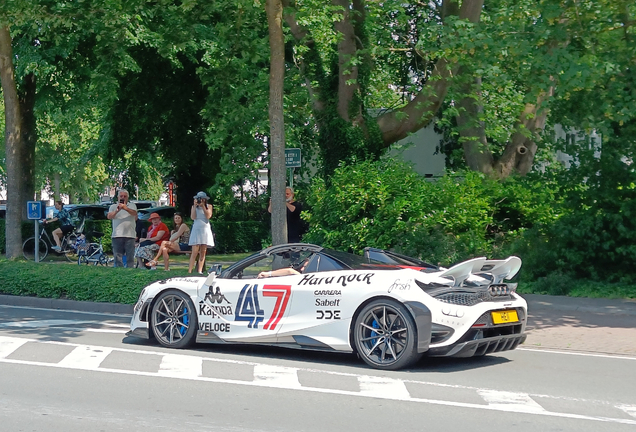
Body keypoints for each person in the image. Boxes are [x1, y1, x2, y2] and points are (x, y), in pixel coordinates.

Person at [107, 189, 138, 268]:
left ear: (127, 197)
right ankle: (118, 273)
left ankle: (130, 271)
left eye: (125, 196)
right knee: (118, 257)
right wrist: (117, 210)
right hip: (117, 235)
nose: (123, 198)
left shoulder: (132, 205)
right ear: (118, 197)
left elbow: (134, 214)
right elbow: (109, 216)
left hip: (130, 235)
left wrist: (125, 208)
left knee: (130, 257)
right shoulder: (113, 206)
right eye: (121, 196)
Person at [189, 191, 215, 274]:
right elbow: (193, 217)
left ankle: (200, 270)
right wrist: (195, 206)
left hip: (205, 228)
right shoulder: (194, 207)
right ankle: (190, 270)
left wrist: (203, 206)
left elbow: (208, 216)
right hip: (197, 228)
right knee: (194, 251)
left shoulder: (209, 206)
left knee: (203, 251)